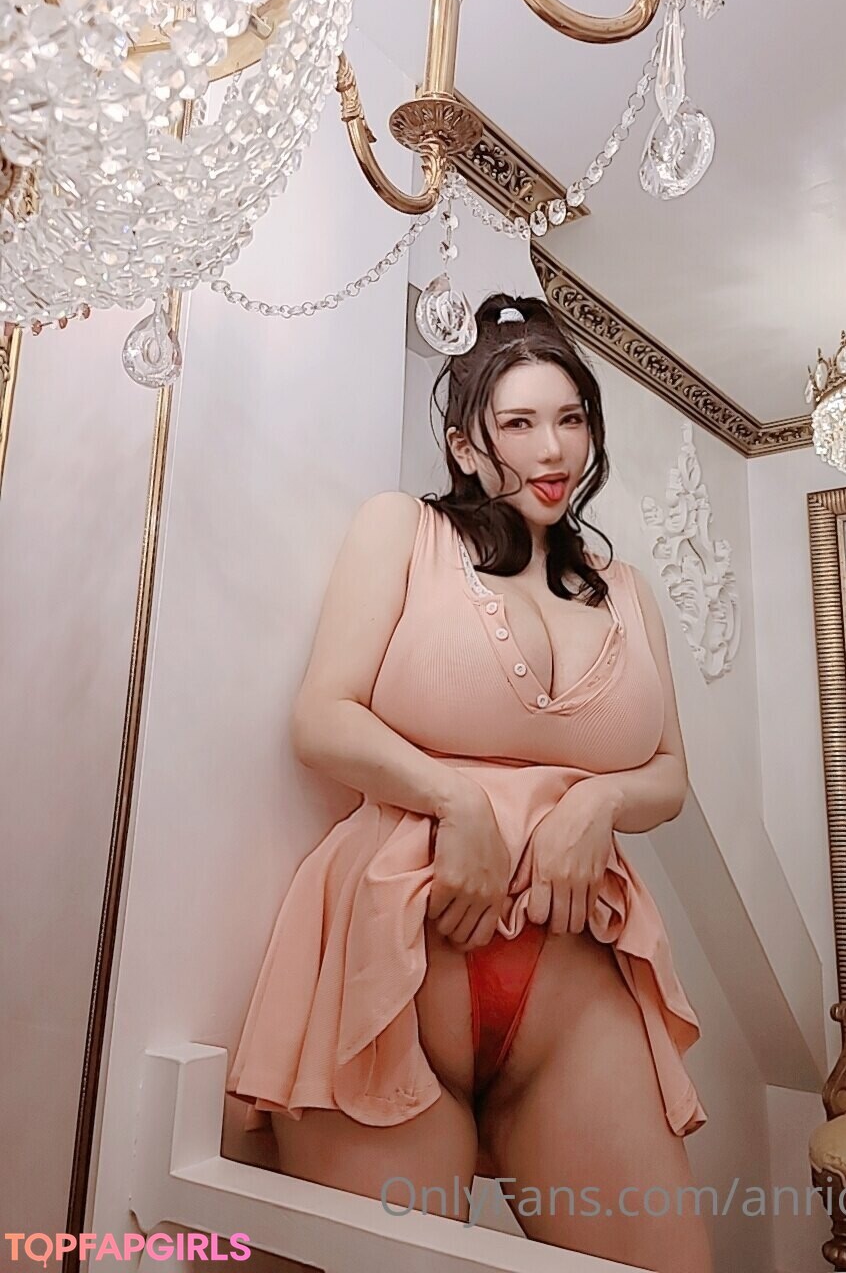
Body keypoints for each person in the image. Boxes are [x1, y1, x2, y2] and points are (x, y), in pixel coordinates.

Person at [225, 293, 711, 1272]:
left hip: (574, 995)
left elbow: (668, 776)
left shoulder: (627, 591)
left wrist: (600, 801)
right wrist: (455, 800)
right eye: (519, 423)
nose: (552, 449)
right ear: (465, 447)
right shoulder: (402, 531)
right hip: (394, 968)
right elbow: (324, 716)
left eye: (571, 419)